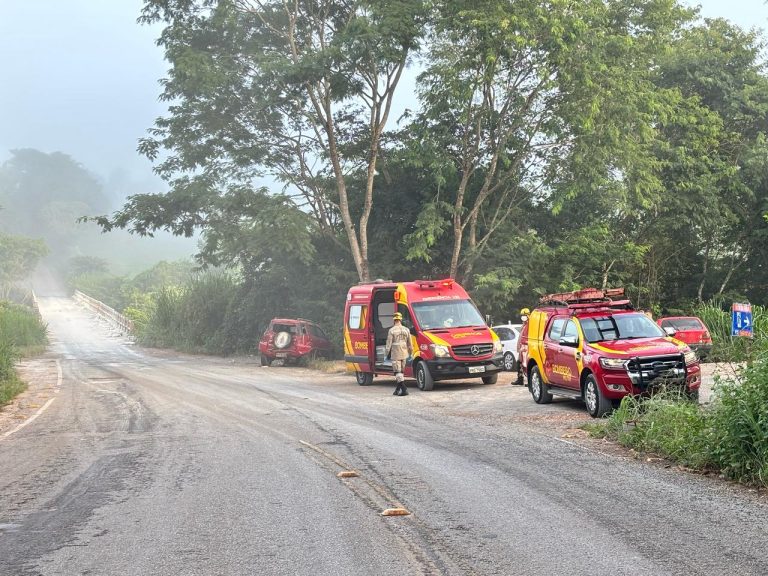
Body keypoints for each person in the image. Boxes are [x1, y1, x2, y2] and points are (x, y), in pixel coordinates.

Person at [386, 311, 413, 396]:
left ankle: (404, 389)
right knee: (401, 372)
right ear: (401, 319)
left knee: (397, 372)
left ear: (394, 320)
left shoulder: (391, 330)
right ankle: (397, 390)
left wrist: (386, 355)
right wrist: (410, 354)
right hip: (404, 353)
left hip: (396, 353)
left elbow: (388, 344)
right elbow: (410, 345)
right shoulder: (406, 330)